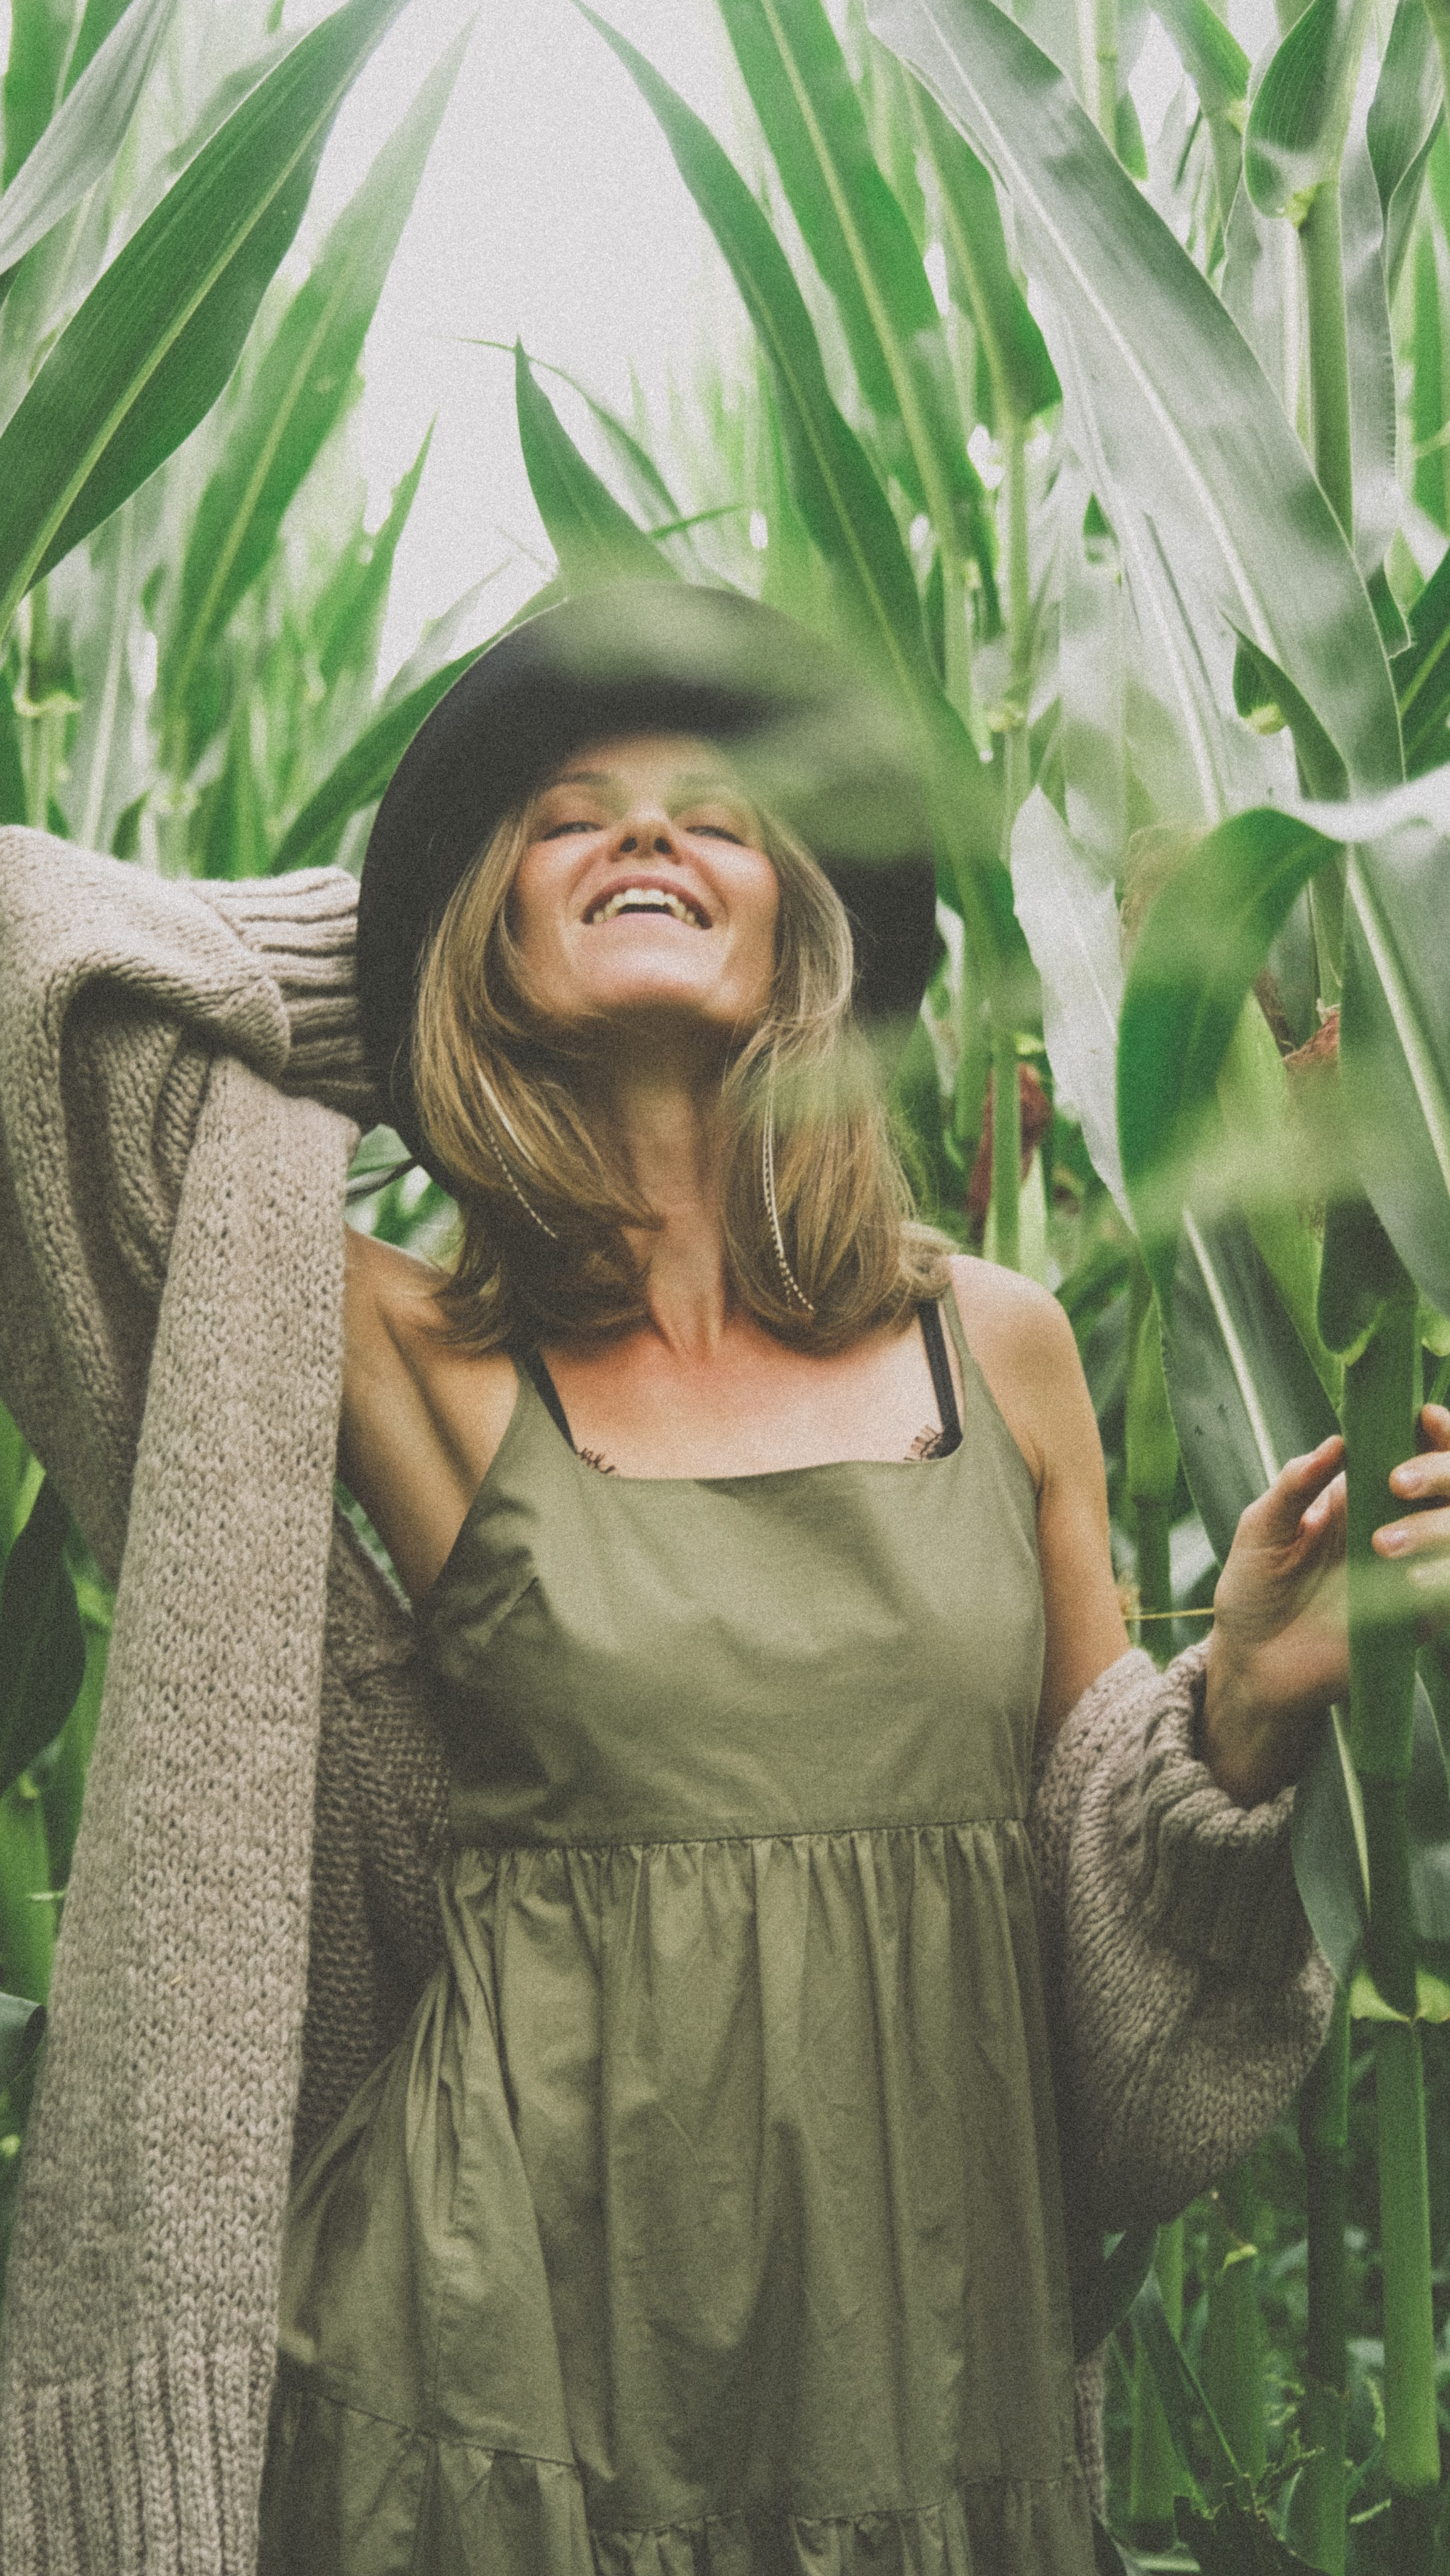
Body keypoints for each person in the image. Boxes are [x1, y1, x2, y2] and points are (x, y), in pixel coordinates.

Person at [0, 583, 1436, 2575]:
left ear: (804, 937)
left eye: (715, 817)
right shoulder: (409, 1355)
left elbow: (1098, 1978)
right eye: (570, 821)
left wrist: (1239, 1720)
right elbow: (32, 983)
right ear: (487, 928)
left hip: (926, 2383)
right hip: (484, 2404)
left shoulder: (995, 1350)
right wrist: (402, 944)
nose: (649, 834)